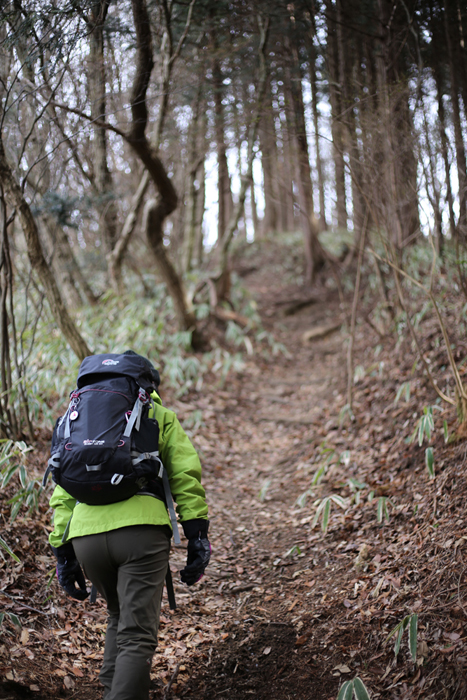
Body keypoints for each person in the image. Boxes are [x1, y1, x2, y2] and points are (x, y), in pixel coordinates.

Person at [48, 351, 210, 700]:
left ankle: (112, 688)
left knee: (118, 614)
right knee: (137, 635)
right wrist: (197, 535)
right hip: (141, 534)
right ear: (146, 382)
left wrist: (64, 553)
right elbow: (185, 475)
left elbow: (62, 492)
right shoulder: (156, 414)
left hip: (85, 536)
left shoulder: (73, 420)